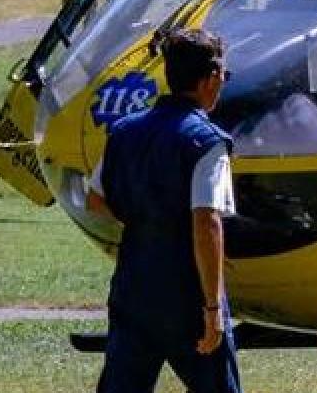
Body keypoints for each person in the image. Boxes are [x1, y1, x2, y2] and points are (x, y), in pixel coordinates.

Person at [89, 28, 242, 393]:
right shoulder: (208, 142)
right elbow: (206, 223)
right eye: (224, 76)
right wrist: (211, 309)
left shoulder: (123, 131)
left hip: (134, 281)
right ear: (211, 78)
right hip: (186, 291)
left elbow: (95, 199)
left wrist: (144, 220)